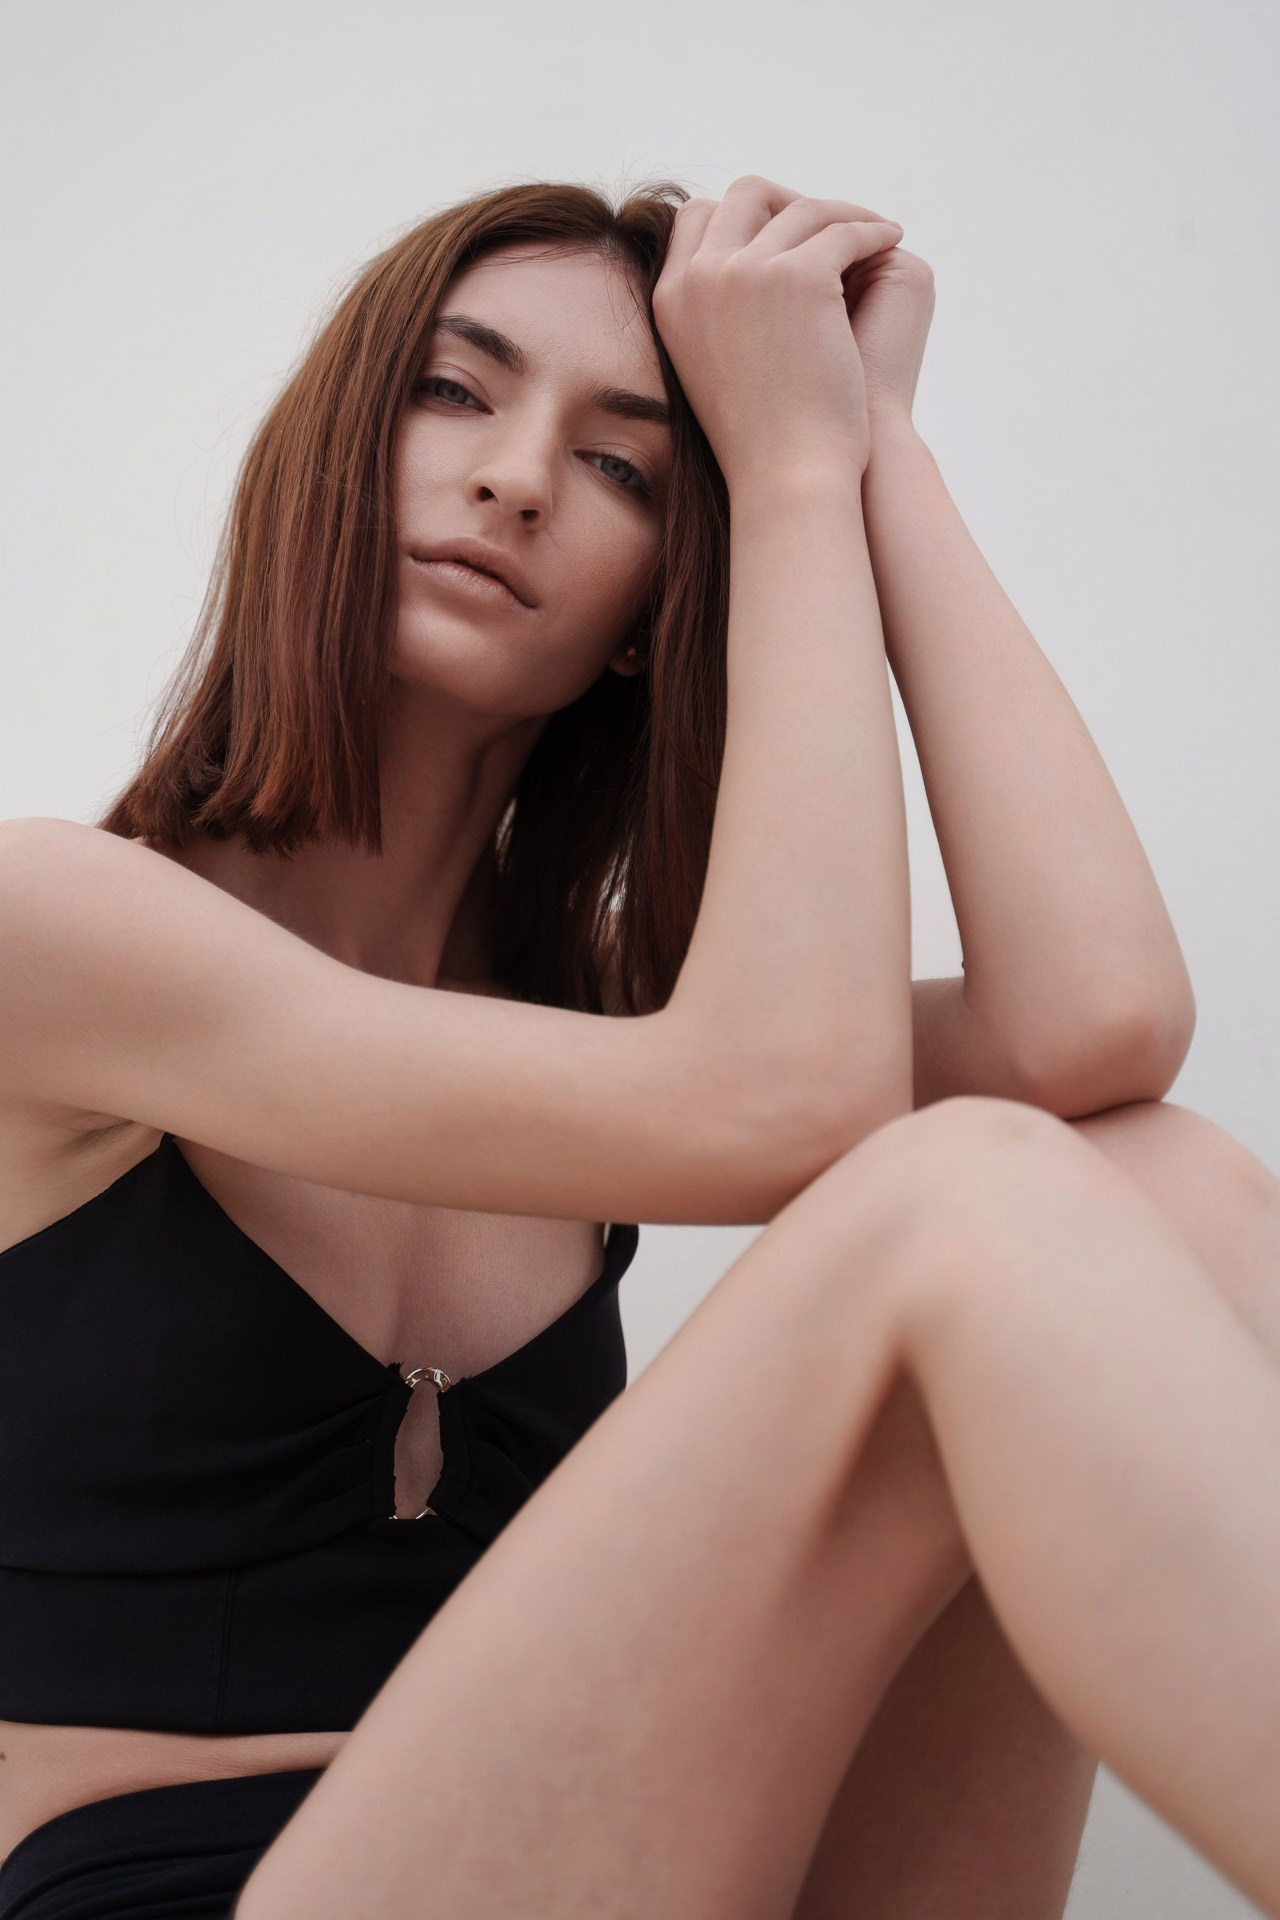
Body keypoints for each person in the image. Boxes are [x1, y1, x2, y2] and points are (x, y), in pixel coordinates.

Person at [0, 171, 1276, 1920]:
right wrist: (797, 474)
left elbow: (1101, 1023)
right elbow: (790, 1101)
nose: (516, 476)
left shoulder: (602, 1035)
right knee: (963, 1193)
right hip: (174, 1892)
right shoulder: (49, 929)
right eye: (454, 390)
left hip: (618, 1869)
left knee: (1163, 1183)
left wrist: (862, 441)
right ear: (330, 452)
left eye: (624, 467)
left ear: (655, 611)